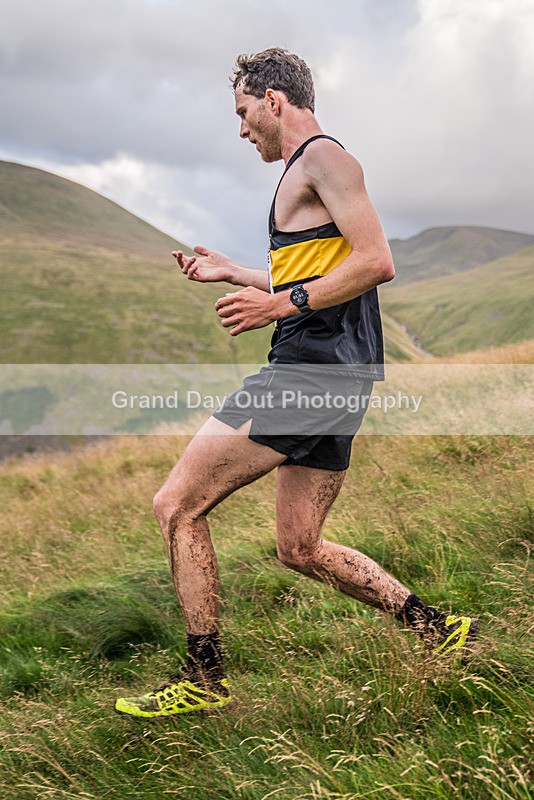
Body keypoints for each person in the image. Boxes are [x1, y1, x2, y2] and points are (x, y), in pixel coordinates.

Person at [115, 48, 478, 720]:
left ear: (274, 101)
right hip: (340, 376)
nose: (241, 128)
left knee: (176, 506)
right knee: (300, 546)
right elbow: (320, 273)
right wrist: (238, 273)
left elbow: (376, 261)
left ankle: (204, 676)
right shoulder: (305, 174)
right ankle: (438, 629)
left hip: (309, 372)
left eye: (243, 111)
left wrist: (278, 306)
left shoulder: (323, 159)